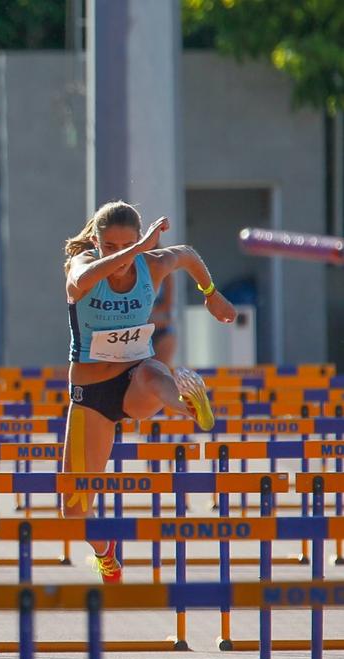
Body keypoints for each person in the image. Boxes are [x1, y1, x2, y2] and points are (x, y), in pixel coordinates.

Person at [60, 200, 235, 583]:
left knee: (154, 372)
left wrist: (210, 293)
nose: (121, 257)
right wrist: (136, 249)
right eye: (110, 247)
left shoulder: (151, 265)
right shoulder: (82, 264)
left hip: (135, 377)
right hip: (91, 394)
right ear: (96, 242)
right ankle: (105, 552)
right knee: (73, 511)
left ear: (141, 240)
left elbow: (186, 255)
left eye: (129, 245)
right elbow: (78, 283)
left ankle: (188, 404)